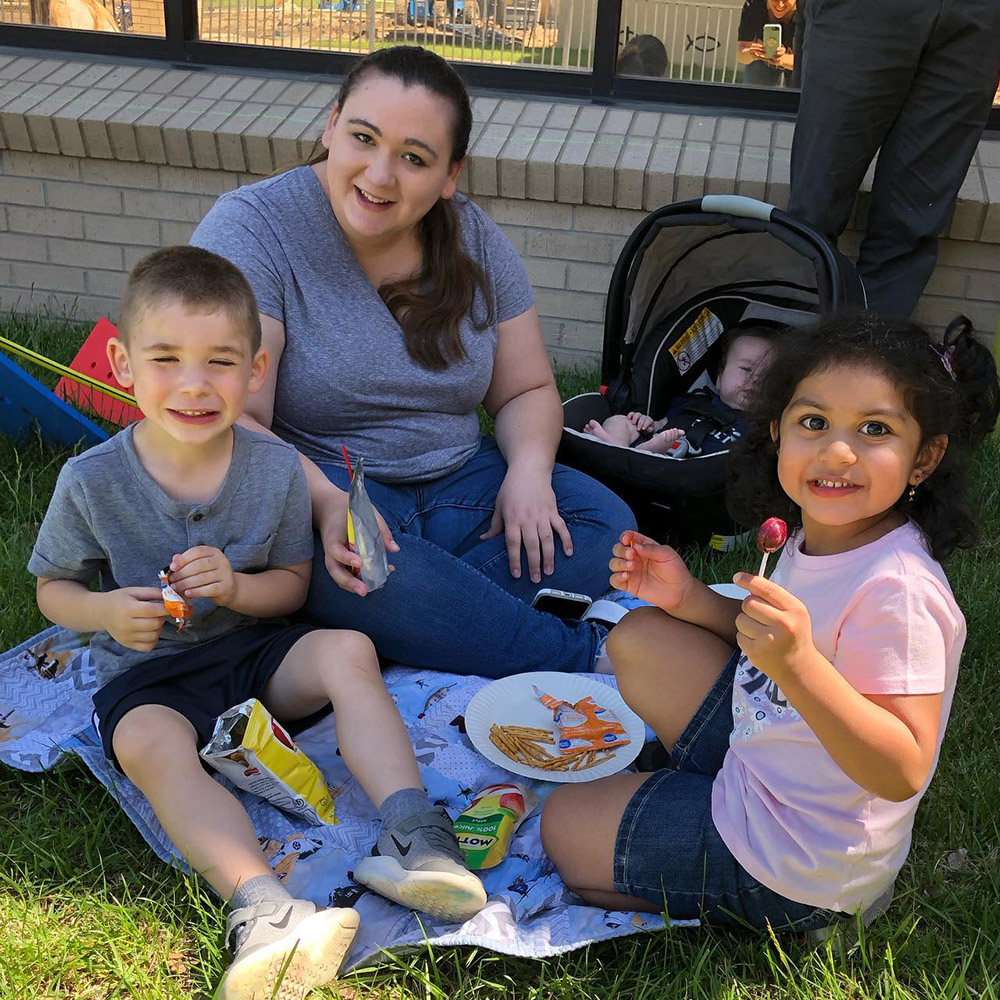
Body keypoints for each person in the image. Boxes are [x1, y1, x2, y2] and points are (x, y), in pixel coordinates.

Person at [27, 247, 487, 1000]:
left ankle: (416, 838)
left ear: (256, 369)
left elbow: (291, 588)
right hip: (151, 678)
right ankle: (265, 909)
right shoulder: (92, 480)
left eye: (220, 362)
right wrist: (106, 610)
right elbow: (54, 589)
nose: (194, 385)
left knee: (348, 648)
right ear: (120, 362)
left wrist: (238, 587)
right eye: (167, 359)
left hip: (253, 652)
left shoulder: (274, 471)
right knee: (143, 742)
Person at [541, 313, 999, 931]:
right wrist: (691, 598)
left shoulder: (900, 592)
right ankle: (688, 809)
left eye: (874, 429)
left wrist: (801, 666)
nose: (837, 450)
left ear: (924, 458)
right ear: (778, 432)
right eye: (814, 423)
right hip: (768, 757)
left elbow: (902, 768)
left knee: (561, 826)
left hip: (798, 860)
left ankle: (778, 916)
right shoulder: (817, 534)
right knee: (642, 636)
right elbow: (761, 638)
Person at [190, 46, 635, 679]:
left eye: (414, 158)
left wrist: (531, 473)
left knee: (606, 527)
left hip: (461, 483)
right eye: (363, 138)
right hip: (320, 487)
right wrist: (327, 505)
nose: (379, 175)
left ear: (450, 175)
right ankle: (576, 652)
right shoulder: (253, 230)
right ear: (331, 124)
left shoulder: (474, 237)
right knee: (361, 569)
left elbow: (527, 387)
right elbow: (231, 418)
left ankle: (429, 619)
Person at [788, 0, 1000, 317]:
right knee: (813, 210)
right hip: (867, 11)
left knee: (912, 224)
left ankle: (870, 357)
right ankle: (793, 347)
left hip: (980, 15)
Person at [582, 326, 774, 453]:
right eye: (746, 369)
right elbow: (661, 423)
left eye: (768, 377)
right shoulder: (694, 401)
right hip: (657, 442)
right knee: (620, 421)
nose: (755, 380)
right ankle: (617, 448)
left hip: (695, 465)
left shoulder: (763, 426)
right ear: (719, 378)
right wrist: (648, 424)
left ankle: (626, 453)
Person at [736, 0, 798, 87]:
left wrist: (783, 59)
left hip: (798, 61)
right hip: (762, 60)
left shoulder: (807, 10)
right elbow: (741, 55)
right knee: (753, 96)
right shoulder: (754, 4)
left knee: (802, 97)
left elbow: (809, 61)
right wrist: (751, 53)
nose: (780, 5)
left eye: (785, 0)